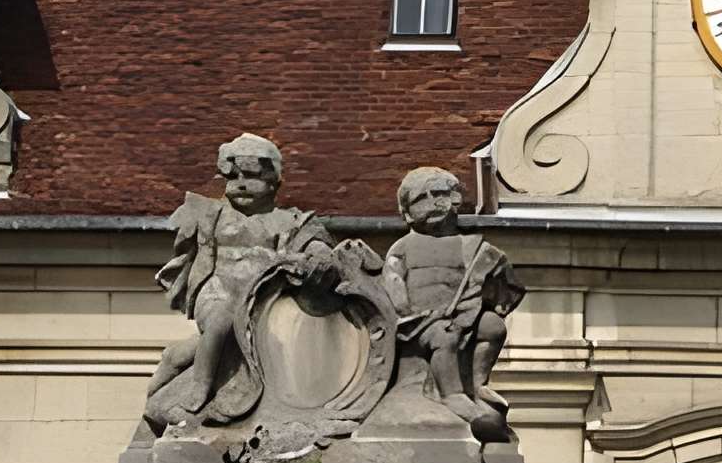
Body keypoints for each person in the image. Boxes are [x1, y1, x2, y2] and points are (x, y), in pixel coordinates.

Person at [141, 133, 336, 435]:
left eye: (253, 177)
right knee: (220, 320)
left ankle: (179, 356)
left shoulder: (286, 220)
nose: (242, 184)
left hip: (262, 301)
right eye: (235, 177)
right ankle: (200, 387)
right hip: (218, 289)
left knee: (246, 337)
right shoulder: (212, 214)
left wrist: (319, 254)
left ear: (274, 183)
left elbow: (314, 242)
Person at [372, 166, 522, 433]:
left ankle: (477, 385)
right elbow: (393, 281)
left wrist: (493, 283)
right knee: (445, 337)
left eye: (440, 193)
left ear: (455, 200)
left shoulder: (469, 245)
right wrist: (406, 311)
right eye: (422, 198)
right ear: (407, 212)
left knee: (493, 326)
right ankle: (453, 395)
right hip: (417, 322)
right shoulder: (404, 246)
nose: (433, 202)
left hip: (461, 314)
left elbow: (499, 284)